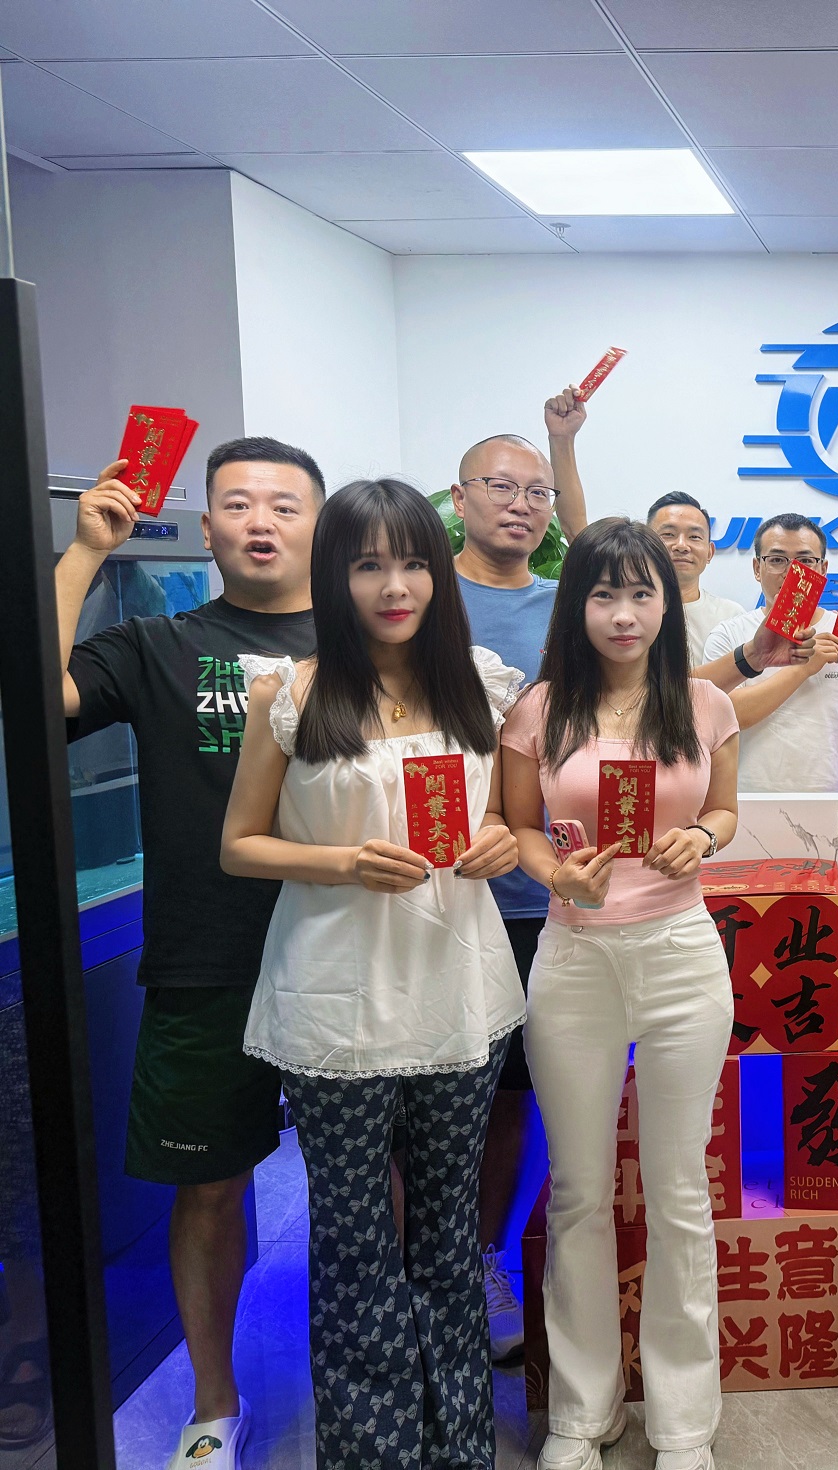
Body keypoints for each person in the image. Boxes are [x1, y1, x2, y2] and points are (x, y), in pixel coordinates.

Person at [220, 479, 526, 1466]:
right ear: (334, 575)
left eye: (413, 563)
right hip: (335, 1002)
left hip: (458, 991)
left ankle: (459, 1441)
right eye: (368, 564)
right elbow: (239, 845)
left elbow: (502, 815)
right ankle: (373, 1448)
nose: (396, 586)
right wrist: (343, 861)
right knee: (354, 1242)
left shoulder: (478, 684)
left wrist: (498, 839)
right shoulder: (291, 692)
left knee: (446, 1232)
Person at [56, 436, 325, 1470]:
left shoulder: (366, 646)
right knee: (207, 1187)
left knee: (375, 1176)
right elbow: (40, 698)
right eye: (238, 504)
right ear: (206, 528)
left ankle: (365, 1374)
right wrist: (86, 552)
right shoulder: (157, 644)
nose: (261, 522)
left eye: (285, 505)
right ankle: (214, 1402)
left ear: (319, 527)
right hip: (205, 958)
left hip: (348, 954)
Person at [502, 519, 739, 1470]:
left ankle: (684, 1424)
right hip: (574, 960)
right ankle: (581, 1413)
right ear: (578, 606)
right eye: (604, 594)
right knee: (578, 1192)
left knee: (680, 1191)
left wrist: (704, 838)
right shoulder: (539, 709)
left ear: (667, 604)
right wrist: (554, 874)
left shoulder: (704, 704)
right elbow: (517, 826)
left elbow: (724, 809)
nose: (625, 613)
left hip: (682, 954)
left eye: (643, 593)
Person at [448, 386, 594, 1361]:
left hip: (540, 893)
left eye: (536, 491)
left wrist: (561, 447)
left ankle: (484, 1263)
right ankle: (424, 1277)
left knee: (509, 1100)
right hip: (437, 890)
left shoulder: (562, 609)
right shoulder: (419, 600)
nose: (521, 505)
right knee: (429, 1100)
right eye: (501, 487)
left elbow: (599, 560)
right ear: (459, 498)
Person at [703, 513, 838, 793]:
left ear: (823, 569)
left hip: (833, 803)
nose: (792, 573)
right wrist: (802, 670)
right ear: (757, 568)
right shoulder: (728, 634)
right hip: (746, 801)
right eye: (777, 560)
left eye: (805, 561)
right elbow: (727, 717)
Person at [649, 493, 744, 665]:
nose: (681, 546)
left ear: (710, 552)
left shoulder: (731, 616)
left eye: (694, 537)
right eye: (668, 534)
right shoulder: (629, 612)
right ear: (644, 545)